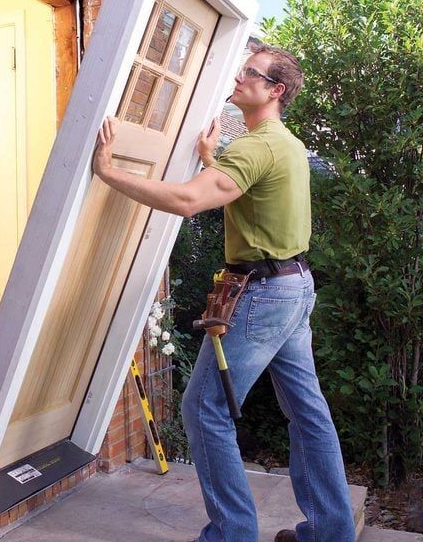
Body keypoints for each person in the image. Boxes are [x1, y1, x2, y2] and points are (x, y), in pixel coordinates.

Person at [92, 43, 355, 542]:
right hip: (294, 288)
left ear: (275, 90)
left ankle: (231, 534)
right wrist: (214, 157)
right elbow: (247, 192)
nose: (238, 79)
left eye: (250, 74)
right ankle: (329, 532)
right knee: (307, 412)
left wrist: (109, 172)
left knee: (203, 408)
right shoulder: (283, 143)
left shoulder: (258, 147)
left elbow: (191, 200)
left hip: (264, 297)